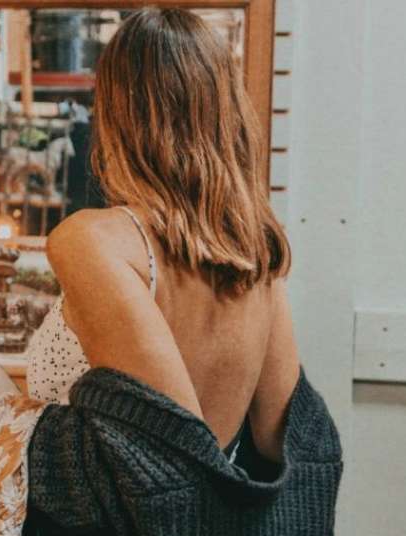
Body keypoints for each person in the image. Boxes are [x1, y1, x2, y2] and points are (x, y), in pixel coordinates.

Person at [26, 7, 298, 465]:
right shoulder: (255, 257)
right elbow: (279, 443)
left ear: (118, 112)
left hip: (108, 515)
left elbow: (176, 456)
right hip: (216, 511)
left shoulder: (92, 240)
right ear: (226, 110)